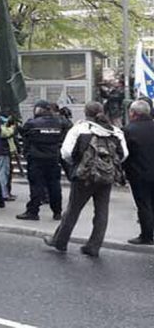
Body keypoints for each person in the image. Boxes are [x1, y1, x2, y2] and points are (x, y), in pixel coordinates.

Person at [44, 102, 128, 257]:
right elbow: (124, 155)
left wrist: (77, 165)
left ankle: (60, 241)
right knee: (102, 211)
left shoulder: (79, 128)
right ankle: (94, 246)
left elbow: (66, 153)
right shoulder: (115, 131)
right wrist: (107, 166)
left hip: (84, 176)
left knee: (73, 209)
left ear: (85, 113)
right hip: (107, 177)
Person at [16, 100, 70, 221]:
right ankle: (57, 212)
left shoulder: (32, 123)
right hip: (53, 158)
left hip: (36, 159)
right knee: (54, 185)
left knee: (36, 186)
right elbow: (67, 133)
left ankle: (33, 211)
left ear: (39, 109)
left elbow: (24, 135)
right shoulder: (60, 122)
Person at [123, 100, 154, 245]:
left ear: (134, 113)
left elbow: (124, 154)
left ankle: (147, 236)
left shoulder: (129, 130)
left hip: (139, 173)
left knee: (143, 205)